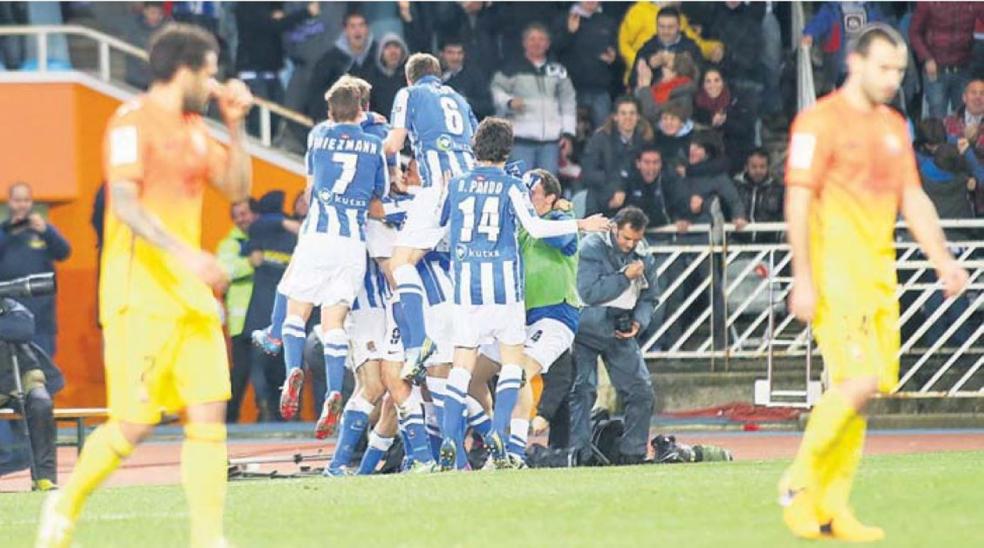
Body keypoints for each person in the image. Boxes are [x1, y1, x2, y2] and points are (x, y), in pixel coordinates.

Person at [36, 23, 254, 548]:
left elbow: (238, 188)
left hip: (191, 298)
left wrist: (236, 125)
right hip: (140, 294)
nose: (214, 83)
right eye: (209, 72)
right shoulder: (130, 121)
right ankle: (63, 505)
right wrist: (188, 255)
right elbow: (128, 207)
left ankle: (208, 538)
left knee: (208, 416)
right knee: (132, 424)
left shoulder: (197, 128)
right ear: (186, 69)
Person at [779, 24, 969, 542]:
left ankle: (832, 508)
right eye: (883, 68)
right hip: (836, 272)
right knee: (857, 382)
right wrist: (802, 275)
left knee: (865, 393)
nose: (892, 79)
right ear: (854, 64)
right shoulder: (818, 122)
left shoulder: (892, 126)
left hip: (880, 275)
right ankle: (797, 485)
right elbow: (798, 200)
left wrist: (944, 260)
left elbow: (914, 199)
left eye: (900, 71)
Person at [437, 118, 609, 471]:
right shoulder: (512, 188)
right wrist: (580, 222)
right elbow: (532, 224)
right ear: (507, 149)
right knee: (511, 367)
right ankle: (498, 438)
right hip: (505, 293)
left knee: (460, 368)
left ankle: (455, 442)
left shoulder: (457, 184)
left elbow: (443, 231)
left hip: (472, 290)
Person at [276, 80, 388, 440]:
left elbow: (310, 188)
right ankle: (335, 391)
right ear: (361, 109)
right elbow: (380, 193)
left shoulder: (317, 136)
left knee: (297, 314)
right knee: (334, 322)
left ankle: (293, 370)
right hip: (351, 242)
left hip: (317, 236)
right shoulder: (374, 145)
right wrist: (370, 120)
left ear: (328, 111)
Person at [470, 169, 584, 466]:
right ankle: (495, 438)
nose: (526, 197)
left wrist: (561, 212)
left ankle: (514, 451)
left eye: (532, 192)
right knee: (472, 377)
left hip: (556, 314)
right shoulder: (521, 226)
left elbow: (564, 243)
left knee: (518, 373)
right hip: (521, 317)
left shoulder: (559, 222)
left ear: (550, 198)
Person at [383, 53, 477, 384]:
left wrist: (377, 155)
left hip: (440, 184)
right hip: (472, 188)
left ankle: (419, 341)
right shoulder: (460, 100)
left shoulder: (409, 94)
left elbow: (394, 142)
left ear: (409, 78)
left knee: (400, 264)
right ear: (438, 75)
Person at [570, 206, 658, 465]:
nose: (630, 245)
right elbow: (588, 292)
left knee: (641, 391)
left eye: (635, 240)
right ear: (615, 228)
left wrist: (639, 323)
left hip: (620, 330)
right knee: (583, 391)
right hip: (586, 327)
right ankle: (579, 455)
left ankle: (632, 453)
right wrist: (623, 277)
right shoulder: (590, 247)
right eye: (625, 238)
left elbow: (650, 297)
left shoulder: (644, 253)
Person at [490, 23, 577, 176]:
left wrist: (568, 134)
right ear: (524, 43)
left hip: (551, 143)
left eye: (541, 39)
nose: (537, 43)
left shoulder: (558, 70)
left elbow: (568, 102)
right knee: (520, 188)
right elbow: (496, 89)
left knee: (548, 190)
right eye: (532, 39)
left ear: (548, 43)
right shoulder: (511, 68)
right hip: (520, 142)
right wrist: (509, 102)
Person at [0, 297, 64, 491]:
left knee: (41, 404)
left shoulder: (6, 303)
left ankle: (43, 477)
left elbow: (23, 328)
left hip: (19, 376)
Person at [0, 182, 71, 357]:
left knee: (43, 373)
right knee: (10, 374)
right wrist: (10, 232)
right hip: (9, 317)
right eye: (17, 200)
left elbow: (64, 252)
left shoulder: (44, 230)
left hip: (41, 320)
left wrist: (46, 232)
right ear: (9, 202)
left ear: (31, 202)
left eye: (26, 200)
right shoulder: (2, 231)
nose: (22, 205)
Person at [217, 199, 258, 423]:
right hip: (241, 323)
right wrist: (250, 263)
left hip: (265, 319)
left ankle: (270, 421)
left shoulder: (264, 237)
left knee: (268, 377)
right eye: (238, 215)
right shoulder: (229, 243)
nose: (243, 218)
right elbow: (224, 271)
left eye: (246, 213)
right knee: (240, 375)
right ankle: (230, 421)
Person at [581, 96, 654, 218]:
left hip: (632, 207)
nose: (628, 118)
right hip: (600, 203)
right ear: (615, 117)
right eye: (623, 113)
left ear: (638, 117)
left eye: (632, 113)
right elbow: (589, 173)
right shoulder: (599, 139)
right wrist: (614, 189)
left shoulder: (644, 142)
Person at [909, 2, 983, 118]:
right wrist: (927, 58)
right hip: (936, 69)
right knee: (937, 118)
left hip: (963, 67)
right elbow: (914, 33)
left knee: (963, 116)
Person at [552, 2, 619, 128]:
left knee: (603, 134)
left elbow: (617, 55)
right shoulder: (563, 19)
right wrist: (569, 32)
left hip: (600, 90)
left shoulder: (608, 21)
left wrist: (614, 58)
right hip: (571, 90)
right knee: (570, 135)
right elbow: (553, 49)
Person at [304, 11, 377, 124]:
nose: (357, 30)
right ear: (345, 30)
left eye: (361, 25)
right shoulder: (329, 60)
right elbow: (316, 95)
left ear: (367, 28)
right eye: (352, 26)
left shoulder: (379, 55)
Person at [693, 68, 757, 173]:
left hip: (733, 156)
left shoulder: (737, 100)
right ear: (702, 85)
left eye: (716, 80)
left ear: (723, 82)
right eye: (708, 81)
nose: (712, 85)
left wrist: (725, 122)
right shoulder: (696, 106)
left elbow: (746, 129)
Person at [634, 50, 698, 127]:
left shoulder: (682, 96)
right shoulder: (660, 86)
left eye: (666, 67)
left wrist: (645, 88)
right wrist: (641, 87)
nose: (662, 70)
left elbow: (651, 115)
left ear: (676, 72)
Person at [733, 148, 785, 242]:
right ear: (746, 167)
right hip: (738, 244)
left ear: (768, 167)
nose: (758, 171)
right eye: (754, 167)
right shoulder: (735, 187)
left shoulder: (778, 190)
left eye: (762, 167)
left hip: (770, 246)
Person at [439, 36, 493, 120]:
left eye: (459, 53)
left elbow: (488, 107)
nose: (455, 58)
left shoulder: (474, 75)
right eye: (450, 53)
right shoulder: (434, 75)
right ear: (441, 54)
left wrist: (464, 101)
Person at [367, 33, 409, 126]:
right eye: (388, 48)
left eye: (396, 47)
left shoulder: (410, 79)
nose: (393, 52)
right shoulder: (372, 80)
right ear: (381, 53)